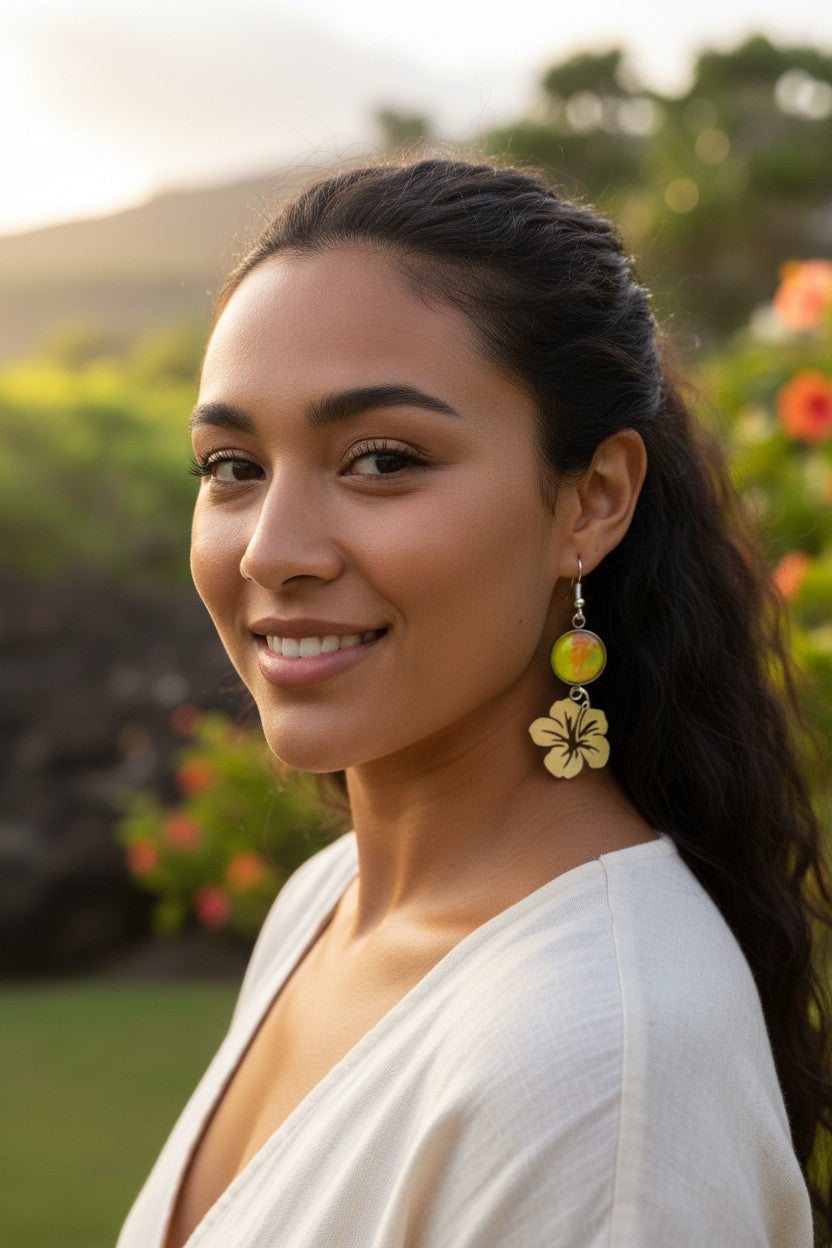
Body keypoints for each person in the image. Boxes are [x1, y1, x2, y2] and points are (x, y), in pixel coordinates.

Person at [117, 158, 832, 1248]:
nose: (270, 550)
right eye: (231, 466)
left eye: (381, 460)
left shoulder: (600, 1074)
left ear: (591, 501)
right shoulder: (326, 903)